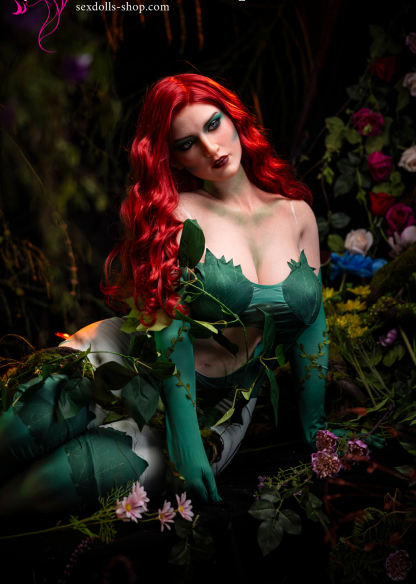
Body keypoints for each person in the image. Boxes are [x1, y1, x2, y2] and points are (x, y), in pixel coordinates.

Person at [0, 74, 329, 514]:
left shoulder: (296, 215)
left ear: (234, 117)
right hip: (125, 358)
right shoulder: (174, 214)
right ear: (172, 157)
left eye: (213, 124)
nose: (211, 148)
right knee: (26, 424)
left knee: (56, 482)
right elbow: (169, 328)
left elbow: (310, 324)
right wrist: (185, 440)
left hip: (223, 406)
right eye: (187, 143)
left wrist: (318, 428)